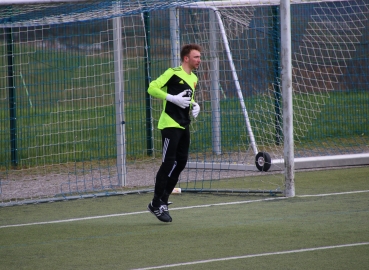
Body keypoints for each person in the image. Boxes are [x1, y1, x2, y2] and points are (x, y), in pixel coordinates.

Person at [147, 44, 202, 222]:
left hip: (184, 124)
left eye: (200, 57)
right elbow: (152, 87)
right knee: (168, 163)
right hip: (170, 124)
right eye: (196, 57)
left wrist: (195, 105)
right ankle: (156, 203)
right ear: (186, 58)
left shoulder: (194, 78)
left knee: (181, 162)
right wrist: (171, 98)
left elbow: (188, 97)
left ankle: (164, 199)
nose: (199, 60)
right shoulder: (172, 72)